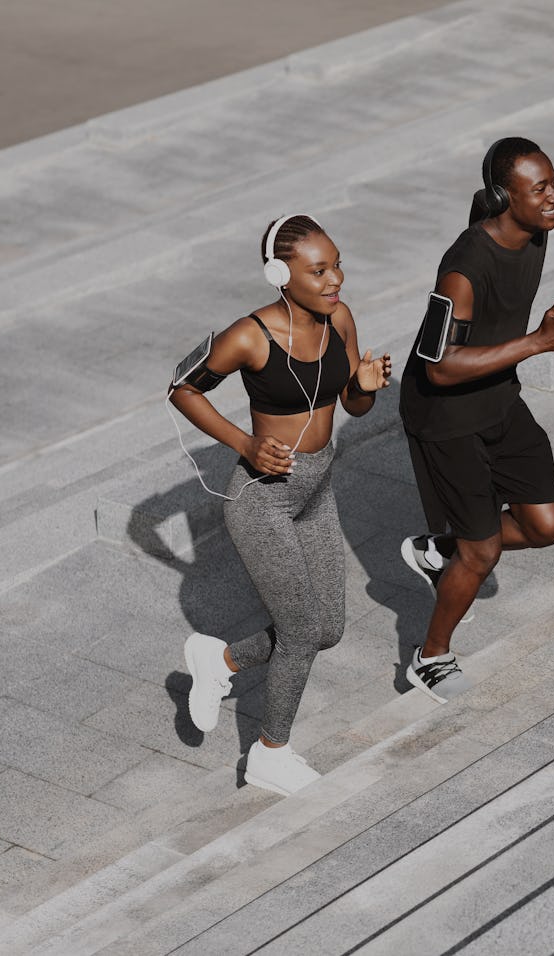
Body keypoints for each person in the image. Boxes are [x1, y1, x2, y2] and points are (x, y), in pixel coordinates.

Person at [169, 214, 391, 796]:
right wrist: (244, 443)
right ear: (279, 273)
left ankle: (221, 664)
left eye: (337, 263)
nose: (334, 278)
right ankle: (271, 752)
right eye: (318, 270)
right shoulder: (250, 334)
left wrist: (363, 384)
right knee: (300, 628)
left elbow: (353, 407)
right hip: (260, 499)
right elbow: (182, 387)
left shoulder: (339, 317)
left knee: (329, 629)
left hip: (317, 488)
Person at [398, 137, 554, 703]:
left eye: (553, 181)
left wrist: (531, 340)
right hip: (445, 416)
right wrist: (537, 342)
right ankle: (430, 657)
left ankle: (440, 551)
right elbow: (440, 367)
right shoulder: (462, 268)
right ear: (506, 197)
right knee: (484, 552)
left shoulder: (535, 231)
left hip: (499, 398)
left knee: (546, 524)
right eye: (540, 188)